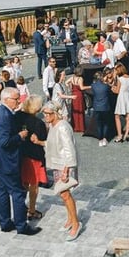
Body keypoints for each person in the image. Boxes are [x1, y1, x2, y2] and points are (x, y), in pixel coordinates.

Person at [0, 87, 41, 235]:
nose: (19, 101)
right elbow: (4, 142)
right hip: (7, 161)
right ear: (6, 99)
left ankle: (5, 223)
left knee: (3, 191)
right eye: (16, 99)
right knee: (18, 193)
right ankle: (21, 225)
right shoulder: (4, 116)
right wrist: (20, 136)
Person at [43, 101, 83, 241]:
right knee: (63, 194)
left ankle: (76, 223)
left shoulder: (63, 127)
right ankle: (71, 219)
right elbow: (53, 144)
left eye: (48, 113)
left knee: (65, 194)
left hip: (65, 165)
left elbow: (69, 149)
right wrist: (39, 142)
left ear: (55, 113)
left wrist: (66, 170)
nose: (45, 116)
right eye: (44, 113)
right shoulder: (52, 125)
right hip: (58, 164)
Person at [17, 95, 48, 220]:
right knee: (34, 185)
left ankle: (21, 207)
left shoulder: (18, 117)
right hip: (35, 156)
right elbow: (44, 139)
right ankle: (32, 210)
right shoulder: (38, 123)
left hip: (21, 155)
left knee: (23, 183)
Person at [89, 71, 113, 146]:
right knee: (106, 123)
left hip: (97, 107)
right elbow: (110, 92)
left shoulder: (93, 85)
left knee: (99, 124)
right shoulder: (106, 86)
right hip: (105, 106)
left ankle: (100, 139)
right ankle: (105, 138)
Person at [113, 63, 129, 142]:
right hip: (127, 97)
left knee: (117, 116)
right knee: (128, 117)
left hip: (121, 97)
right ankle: (126, 135)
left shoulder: (120, 79)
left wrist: (112, 88)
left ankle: (119, 135)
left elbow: (117, 91)